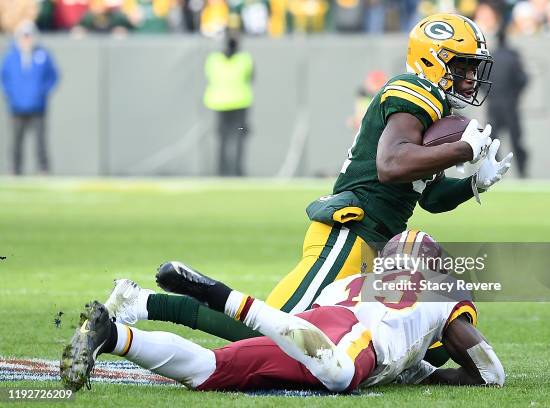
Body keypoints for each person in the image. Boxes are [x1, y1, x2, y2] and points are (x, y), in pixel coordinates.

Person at [82, 13, 513, 369]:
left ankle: (140, 304)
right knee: (271, 331)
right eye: (463, 65)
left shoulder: (431, 107)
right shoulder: (414, 92)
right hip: (350, 232)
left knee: (293, 338)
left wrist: (472, 182)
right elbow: (390, 166)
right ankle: (140, 304)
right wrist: (462, 148)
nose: (471, 76)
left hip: (372, 241)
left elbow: (428, 197)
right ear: (433, 61)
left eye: (474, 67)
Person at [60, 231, 505, 392]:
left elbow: (398, 342)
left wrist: (422, 370)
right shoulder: (440, 292)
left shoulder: (354, 283)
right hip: (349, 339)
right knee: (342, 375)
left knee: (209, 370)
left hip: (321, 323)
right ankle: (226, 297)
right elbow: (489, 373)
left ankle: (112, 334)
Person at [1, 20, 59, 175]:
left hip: (37, 105)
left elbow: (53, 76)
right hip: (16, 106)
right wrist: (11, 94)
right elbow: (4, 78)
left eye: (29, 36)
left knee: (40, 141)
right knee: (15, 141)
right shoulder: (11, 56)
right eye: (23, 36)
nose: (26, 39)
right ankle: (15, 169)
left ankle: (43, 169)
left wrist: (41, 92)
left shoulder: (43, 55)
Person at [204, 32, 254, 176]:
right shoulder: (244, 59)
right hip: (240, 104)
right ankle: (237, 171)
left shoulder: (213, 59)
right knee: (238, 137)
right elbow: (251, 76)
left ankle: (222, 171)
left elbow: (209, 76)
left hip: (219, 104)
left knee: (222, 138)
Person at [487, 28, 529, 177]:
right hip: (510, 103)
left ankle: (493, 171)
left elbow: (480, 79)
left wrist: (489, 94)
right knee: (516, 139)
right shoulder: (513, 57)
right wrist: (515, 95)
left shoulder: (490, 57)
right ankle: (522, 172)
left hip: (493, 103)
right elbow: (523, 79)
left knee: (492, 141)